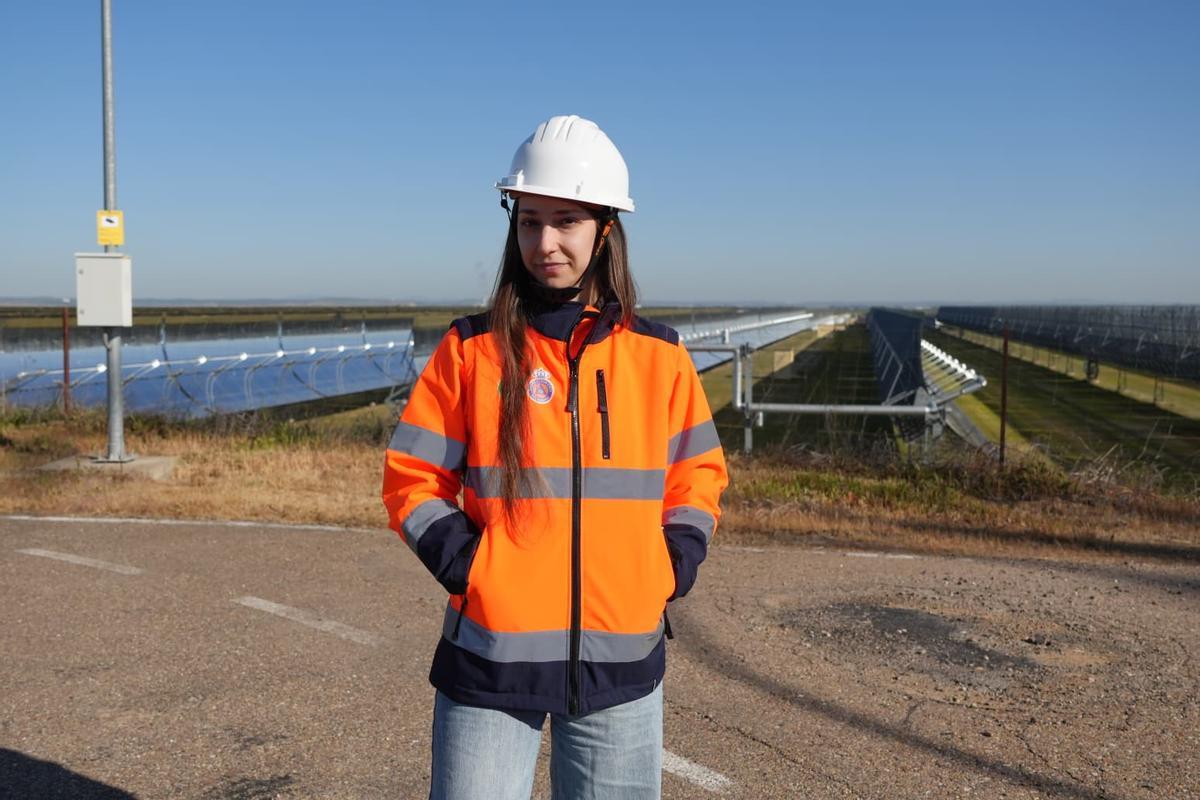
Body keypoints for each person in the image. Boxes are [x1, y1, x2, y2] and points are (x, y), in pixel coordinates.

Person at [382, 114, 728, 800]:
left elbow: (699, 475)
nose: (545, 242)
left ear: (605, 229)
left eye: (565, 221)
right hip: (491, 658)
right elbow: (412, 480)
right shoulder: (471, 350)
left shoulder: (659, 356)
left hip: (620, 662)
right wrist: (474, 567)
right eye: (529, 220)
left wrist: (669, 564)